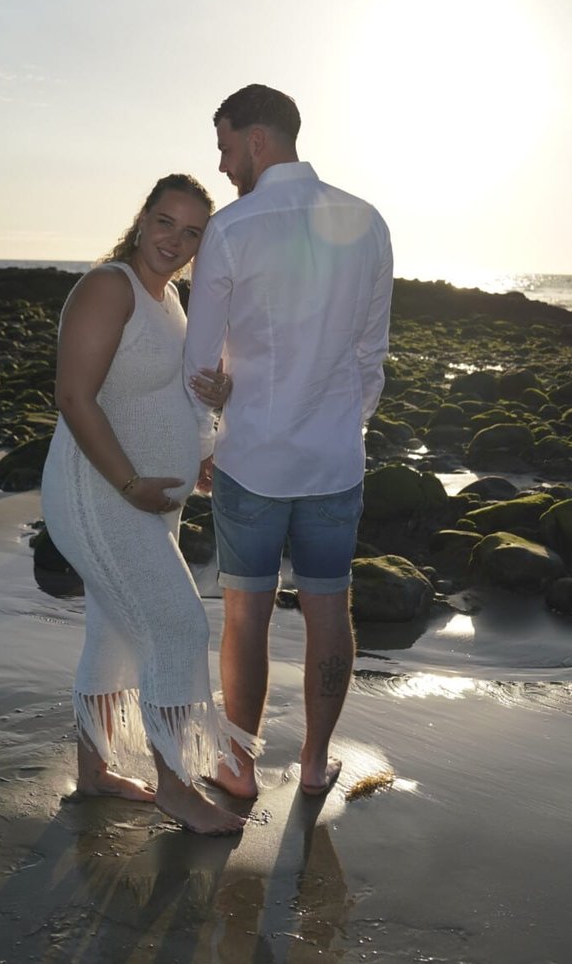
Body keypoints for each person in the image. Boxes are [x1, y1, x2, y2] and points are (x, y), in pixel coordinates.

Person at [183, 85, 394, 799]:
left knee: (245, 615)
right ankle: (313, 762)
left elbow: (200, 360)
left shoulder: (232, 228)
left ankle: (239, 768)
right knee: (330, 610)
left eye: (225, 147)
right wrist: (342, 427)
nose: (222, 165)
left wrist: (204, 442)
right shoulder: (366, 222)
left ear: (257, 140)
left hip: (252, 459)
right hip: (333, 461)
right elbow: (371, 355)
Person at [40, 173, 257, 835]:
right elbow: (73, 396)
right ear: (142, 220)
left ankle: (95, 771)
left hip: (146, 499)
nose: (175, 240)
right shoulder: (110, 287)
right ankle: (176, 787)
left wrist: (201, 445)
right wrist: (131, 483)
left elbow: (159, 395)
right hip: (101, 494)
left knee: (112, 632)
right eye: (166, 222)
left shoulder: (171, 301)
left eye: (192, 232)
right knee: (179, 627)